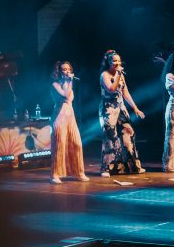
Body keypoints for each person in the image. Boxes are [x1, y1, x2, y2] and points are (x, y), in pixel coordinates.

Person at [98, 49, 146, 177]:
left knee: (129, 133)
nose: (117, 63)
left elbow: (125, 92)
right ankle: (107, 168)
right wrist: (118, 74)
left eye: (118, 61)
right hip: (108, 109)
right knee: (110, 137)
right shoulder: (104, 75)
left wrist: (135, 108)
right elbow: (112, 89)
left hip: (120, 108)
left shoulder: (121, 75)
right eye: (114, 61)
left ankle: (132, 166)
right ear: (109, 62)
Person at [49, 61, 88, 185]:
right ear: (59, 71)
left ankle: (79, 172)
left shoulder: (68, 83)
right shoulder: (55, 84)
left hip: (70, 116)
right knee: (59, 145)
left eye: (68, 69)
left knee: (77, 144)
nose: (67, 71)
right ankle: (55, 174)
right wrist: (69, 81)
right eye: (64, 69)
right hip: (59, 116)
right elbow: (65, 95)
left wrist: (69, 82)